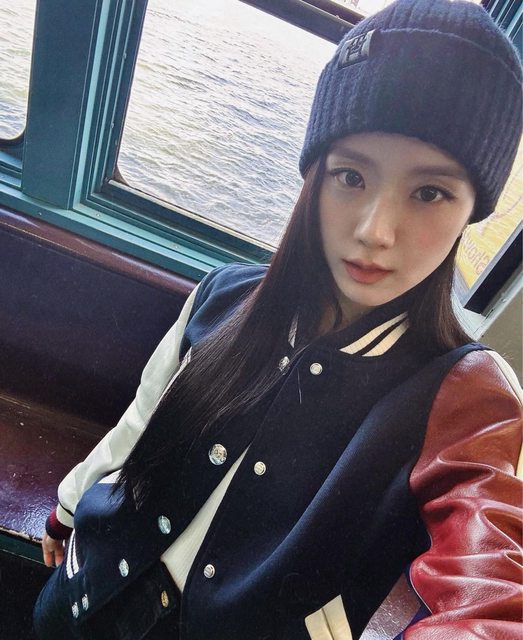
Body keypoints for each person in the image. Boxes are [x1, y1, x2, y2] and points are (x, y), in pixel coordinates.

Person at [34, 0, 522, 638]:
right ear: (313, 177)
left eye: (430, 192)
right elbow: (141, 423)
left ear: (471, 210)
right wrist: (69, 507)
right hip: (88, 597)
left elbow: (495, 583)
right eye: (350, 176)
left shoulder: (466, 398)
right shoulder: (222, 296)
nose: (375, 231)